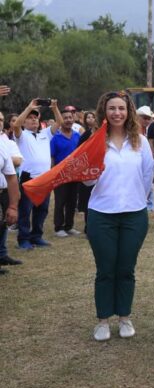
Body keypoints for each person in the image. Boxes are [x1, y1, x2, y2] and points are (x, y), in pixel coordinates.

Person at [85, 91, 154, 341]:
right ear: (104, 111)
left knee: (126, 268)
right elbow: (87, 181)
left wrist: (135, 198)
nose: (117, 113)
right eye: (112, 108)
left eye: (121, 109)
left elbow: (147, 176)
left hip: (134, 215)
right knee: (105, 269)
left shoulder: (141, 142)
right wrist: (91, 172)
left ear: (129, 112)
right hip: (101, 214)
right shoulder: (95, 141)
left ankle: (124, 317)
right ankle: (103, 321)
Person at [12, 98, 63, 250]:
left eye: (35, 117)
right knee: (25, 210)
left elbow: (59, 122)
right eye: (30, 118)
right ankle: (23, 239)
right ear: (25, 122)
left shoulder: (45, 133)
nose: (33, 120)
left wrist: (54, 107)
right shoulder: (21, 135)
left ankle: (37, 236)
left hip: (44, 178)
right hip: (28, 178)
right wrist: (29, 107)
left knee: (42, 209)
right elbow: (16, 125)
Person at [50, 105, 82, 237]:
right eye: (65, 118)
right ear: (60, 120)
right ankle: (59, 228)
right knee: (60, 202)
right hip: (60, 175)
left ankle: (69, 226)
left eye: (70, 117)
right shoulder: (55, 138)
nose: (68, 120)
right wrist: (52, 174)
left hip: (74, 175)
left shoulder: (77, 136)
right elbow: (52, 157)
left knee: (72, 202)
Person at [0, 112, 23, 267]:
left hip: (3, 191)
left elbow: (11, 176)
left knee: (2, 226)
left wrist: (13, 206)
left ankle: (1, 255)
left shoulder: (3, 144)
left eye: (1, 119)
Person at [77, 111, 98, 234]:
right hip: (89, 172)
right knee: (89, 201)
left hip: (102, 172)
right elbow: (79, 151)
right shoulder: (86, 134)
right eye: (88, 117)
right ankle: (88, 227)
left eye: (93, 117)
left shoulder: (107, 134)